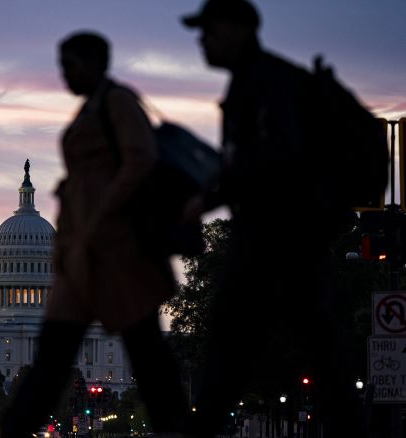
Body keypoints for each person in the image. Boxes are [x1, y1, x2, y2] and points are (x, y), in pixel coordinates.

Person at [180, 1, 363, 436]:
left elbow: (274, 158)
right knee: (311, 345)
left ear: (238, 29)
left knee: (237, 342)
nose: (201, 41)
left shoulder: (267, 84)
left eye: (208, 30)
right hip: (282, 232)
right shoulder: (260, 81)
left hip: (275, 233)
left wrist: (212, 196)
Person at [0, 31, 187, 438]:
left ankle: (178, 429)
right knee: (51, 364)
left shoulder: (117, 103)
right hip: (81, 258)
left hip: (117, 254)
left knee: (148, 359)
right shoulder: (92, 110)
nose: (65, 75)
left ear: (96, 63)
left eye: (71, 65)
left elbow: (141, 161)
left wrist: (102, 214)